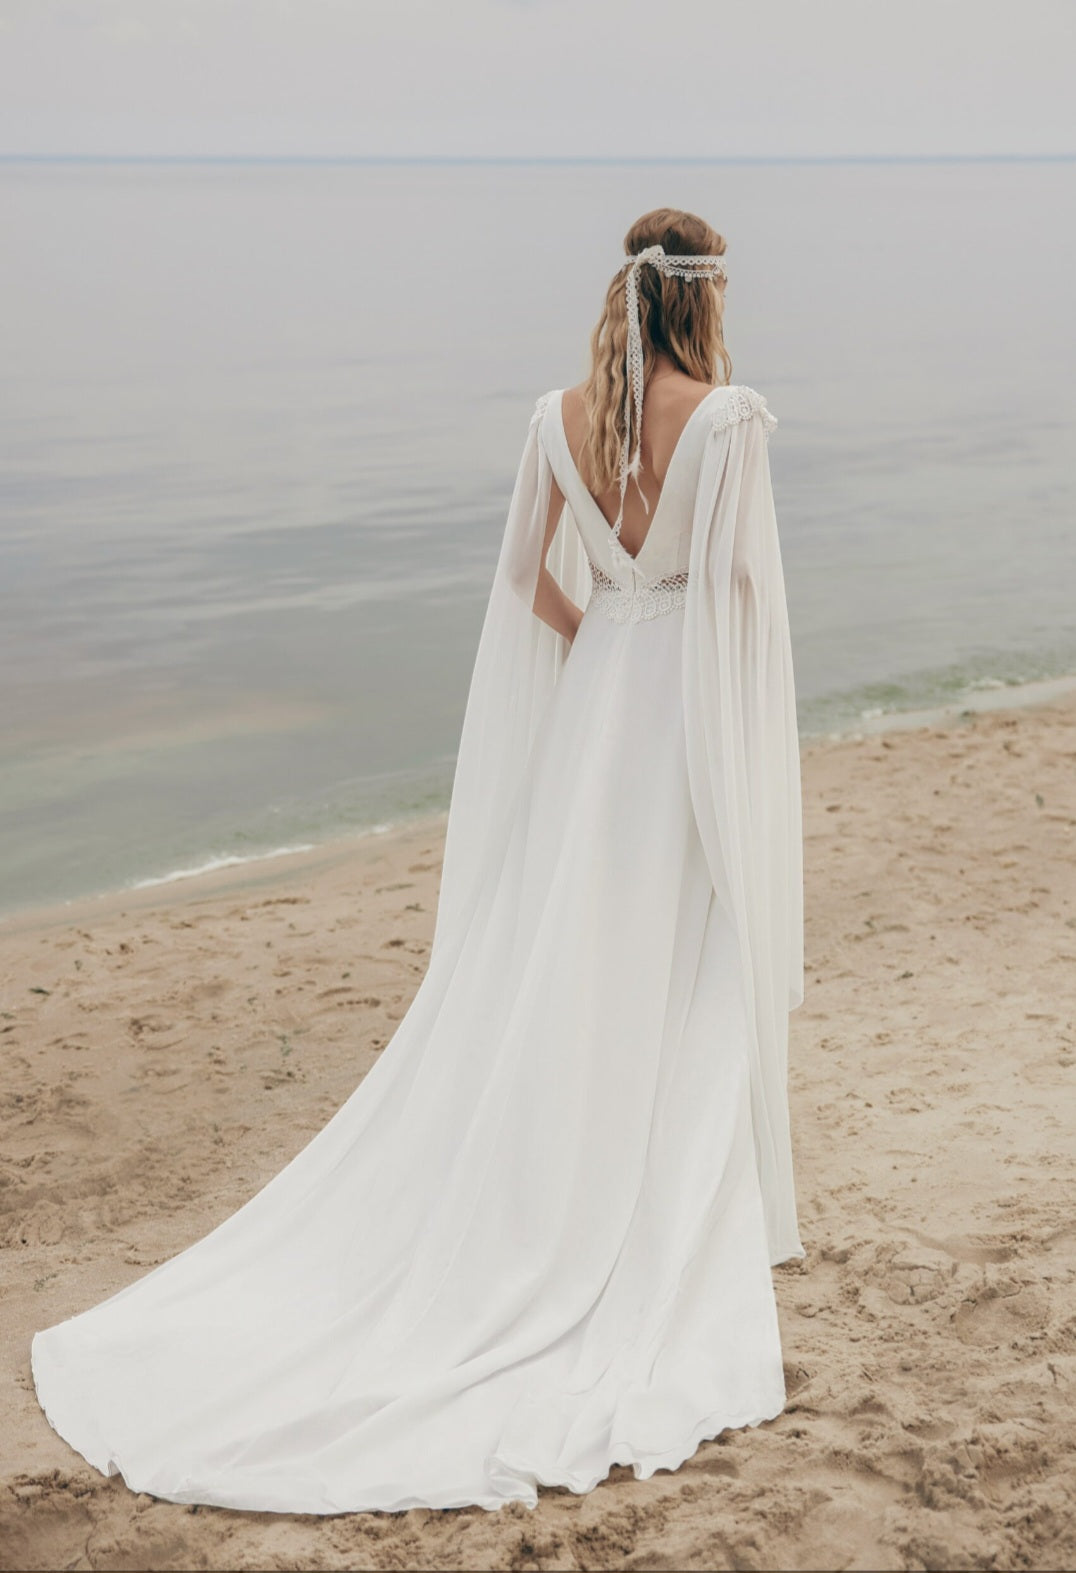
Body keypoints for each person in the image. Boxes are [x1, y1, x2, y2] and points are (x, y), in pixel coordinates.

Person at [31, 206, 805, 1515]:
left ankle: (559, 1172)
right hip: (674, 710)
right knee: (678, 950)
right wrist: (680, 649)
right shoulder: (727, 420)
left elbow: (528, 583)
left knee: (575, 944)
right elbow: (743, 590)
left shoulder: (555, 417)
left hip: (594, 708)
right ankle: (644, 1199)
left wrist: (615, 612)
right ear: (706, 298)